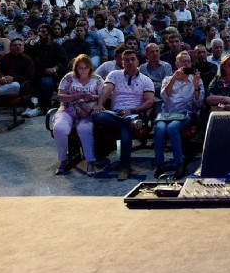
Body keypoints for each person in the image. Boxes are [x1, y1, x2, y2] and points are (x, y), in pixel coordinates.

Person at [93, 49, 155, 180]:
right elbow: (106, 90)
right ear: (122, 62)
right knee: (96, 115)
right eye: (126, 60)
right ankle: (125, 167)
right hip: (115, 113)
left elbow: (150, 102)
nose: (130, 62)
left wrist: (131, 111)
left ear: (138, 61)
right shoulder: (114, 74)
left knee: (125, 127)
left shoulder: (146, 80)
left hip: (134, 113)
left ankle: (125, 167)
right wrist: (100, 104)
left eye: (132, 59)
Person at [154, 51, 205, 179]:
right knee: (159, 128)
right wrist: (173, 79)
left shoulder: (196, 79)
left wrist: (196, 86)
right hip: (167, 113)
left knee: (172, 128)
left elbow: (199, 104)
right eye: (183, 61)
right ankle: (159, 165)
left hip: (185, 114)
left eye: (188, 61)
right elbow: (164, 97)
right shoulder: (168, 79)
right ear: (177, 64)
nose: (186, 64)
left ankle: (179, 165)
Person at [53, 55, 103, 176]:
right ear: (76, 68)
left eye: (86, 68)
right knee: (59, 129)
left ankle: (90, 161)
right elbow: (60, 96)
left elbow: (105, 96)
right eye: (80, 68)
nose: (83, 70)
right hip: (68, 109)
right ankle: (63, 159)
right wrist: (74, 96)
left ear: (90, 68)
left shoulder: (97, 79)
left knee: (84, 129)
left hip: (88, 111)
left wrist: (92, 97)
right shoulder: (68, 77)